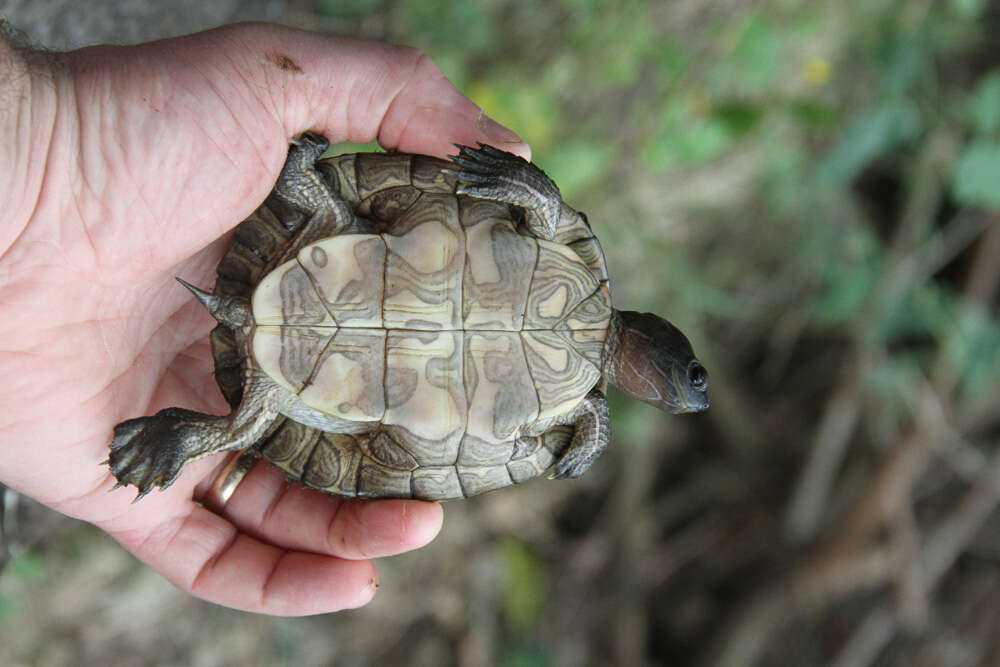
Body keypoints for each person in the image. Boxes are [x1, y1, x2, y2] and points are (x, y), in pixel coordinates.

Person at [0, 22, 529, 615]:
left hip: (314, 267)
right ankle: (189, 435)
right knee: (249, 421)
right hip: (293, 365)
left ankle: (188, 434)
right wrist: (45, 151)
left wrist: (47, 152)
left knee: (253, 404)